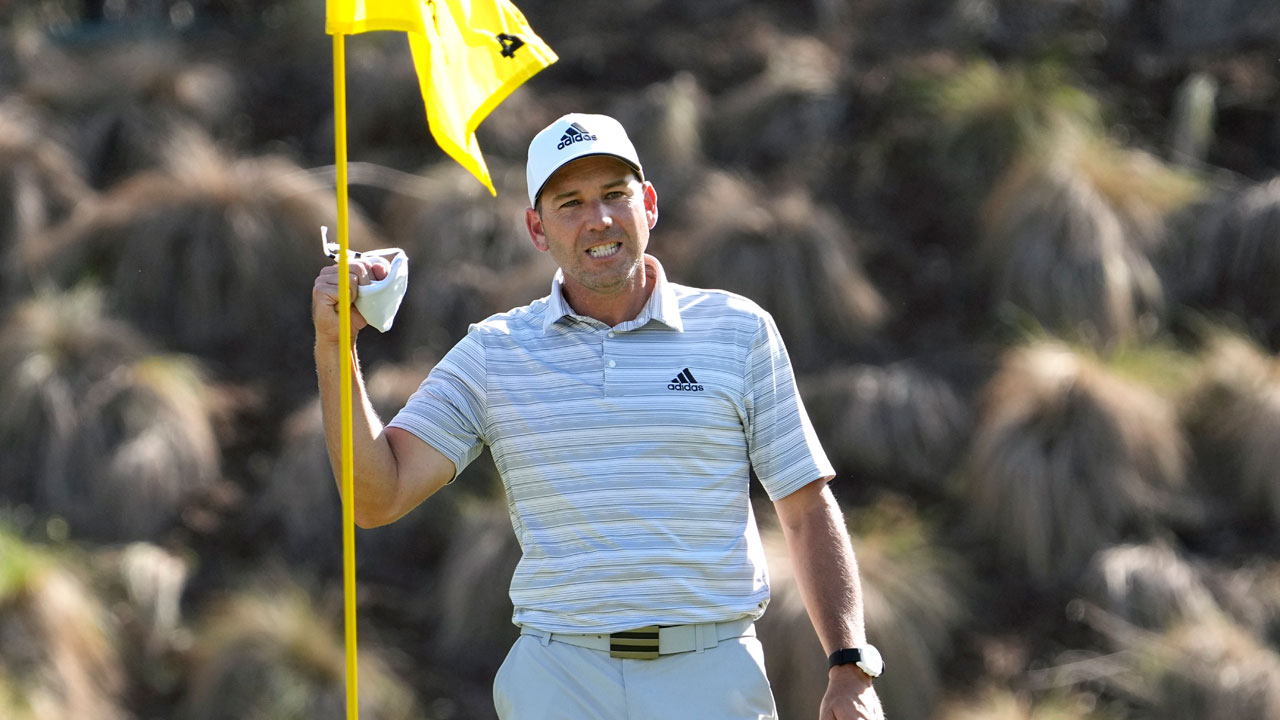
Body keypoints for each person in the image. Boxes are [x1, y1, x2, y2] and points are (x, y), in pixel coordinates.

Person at [312, 113, 885, 720]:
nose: (599, 219)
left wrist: (850, 666)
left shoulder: (739, 331)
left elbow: (805, 508)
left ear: (649, 205)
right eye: (571, 203)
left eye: (615, 194)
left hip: (710, 675)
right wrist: (335, 346)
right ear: (537, 229)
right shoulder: (493, 353)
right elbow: (377, 497)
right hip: (559, 679)